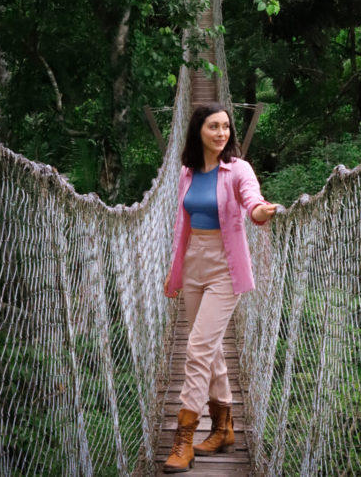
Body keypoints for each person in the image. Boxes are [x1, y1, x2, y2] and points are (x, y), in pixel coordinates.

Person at [162, 102, 278, 473]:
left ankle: (184, 439)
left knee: (197, 348)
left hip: (225, 266)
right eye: (214, 126)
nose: (222, 133)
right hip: (194, 262)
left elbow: (251, 199)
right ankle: (224, 428)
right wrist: (175, 272)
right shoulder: (187, 172)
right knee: (209, 350)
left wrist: (259, 212)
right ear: (198, 130)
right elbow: (183, 227)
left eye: (226, 127)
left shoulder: (238, 169)